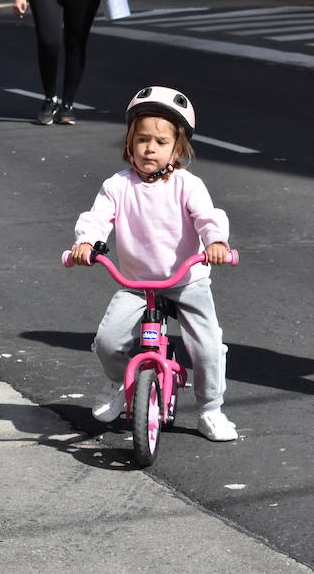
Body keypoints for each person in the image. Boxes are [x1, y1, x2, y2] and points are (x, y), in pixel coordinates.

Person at [70, 86, 238, 442]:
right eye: (142, 139)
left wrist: (216, 242)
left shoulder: (187, 186)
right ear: (129, 143)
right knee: (108, 341)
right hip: (136, 282)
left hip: (186, 280)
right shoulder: (117, 186)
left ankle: (211, 409)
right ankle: (119, 382)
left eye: (160, 142)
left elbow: (208, 218)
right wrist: (85, 242)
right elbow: (97, 218)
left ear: (177, 150)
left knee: (207, 346)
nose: (150, 148)